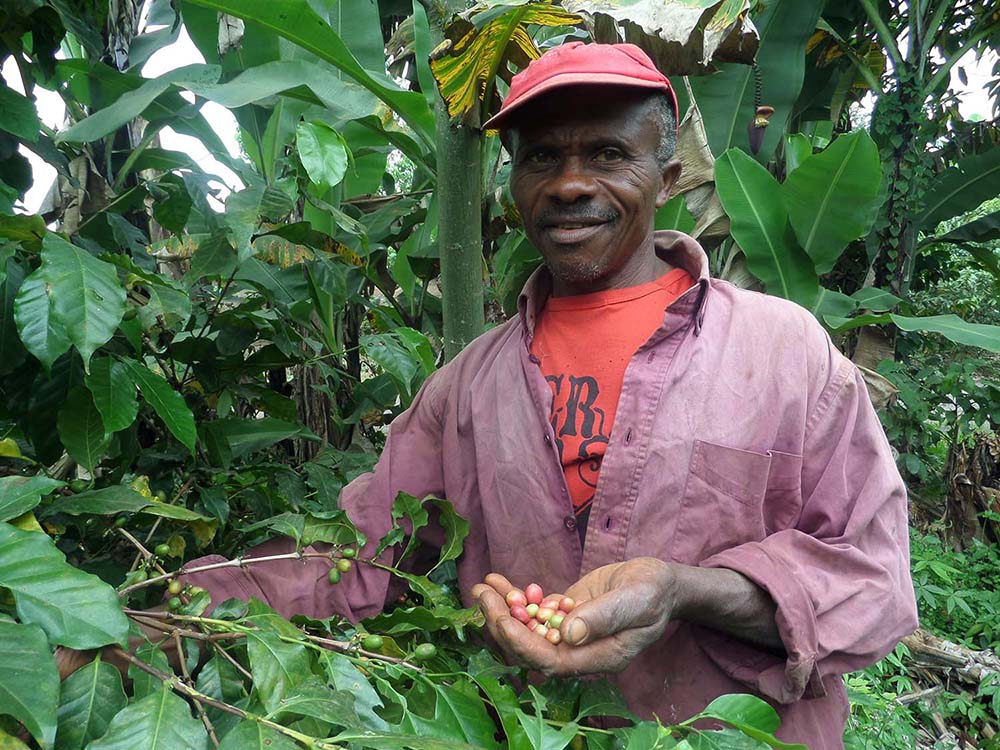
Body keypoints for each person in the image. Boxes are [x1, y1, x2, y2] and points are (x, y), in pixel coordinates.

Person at [163, 43, 918, 749]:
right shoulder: (468, 386)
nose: (569, 184)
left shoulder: (784, 352)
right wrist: (161, 615)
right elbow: (356, 555)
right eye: (542, 158)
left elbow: (873, 584)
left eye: (608, 154)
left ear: (668, 175)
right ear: (514, 181)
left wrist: (684, 591)